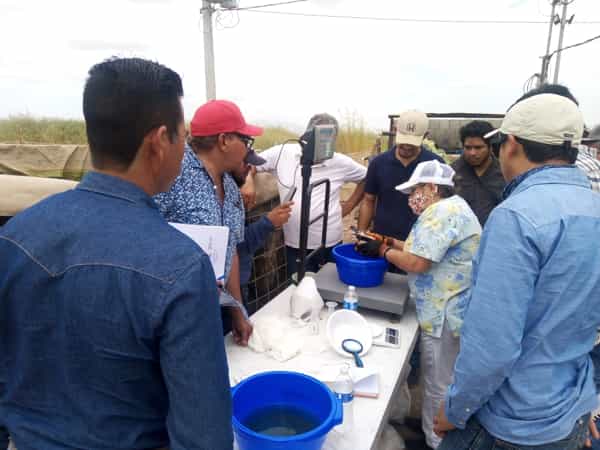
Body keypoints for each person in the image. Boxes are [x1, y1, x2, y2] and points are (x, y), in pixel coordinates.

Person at [0, 58, 232, 449]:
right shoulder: (182, 266)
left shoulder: (14, 236)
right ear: (159, 142)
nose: (184, 149)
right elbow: (203, 437)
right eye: (182, 136)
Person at [433, 91, 600, 449]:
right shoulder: (593, 205)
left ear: (510, 145)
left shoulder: (516, 216)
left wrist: (456, 408)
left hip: (510, 423)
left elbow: (493, 347)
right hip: (570, 410)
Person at [356, 160, 481, 449]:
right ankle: (432, 432)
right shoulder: (451, 208)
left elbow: (418, 262)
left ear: (433, 187)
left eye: (416, 189)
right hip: (447, 308)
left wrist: (383, 250)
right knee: (439, 378)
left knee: (439, 382)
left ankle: (436, 442)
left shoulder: (442, 213)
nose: (411, 196)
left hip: (445, 313)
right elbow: (420, 247)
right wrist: (387, 240)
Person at [153, 99, 262, 345]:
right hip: (173, 316)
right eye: (245, 141)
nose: (247, 149)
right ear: (224, 141)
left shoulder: (232, 189)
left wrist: (237, 311)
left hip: (213, 310)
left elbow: (230, 250)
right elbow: (139, 233)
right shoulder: (173, 174)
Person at [248, 113, 367, 276]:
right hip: (295, 244)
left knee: (329, 290)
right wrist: (248, 182)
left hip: (330, 242)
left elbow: (367, 177)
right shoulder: (283, 152)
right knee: (299, 290)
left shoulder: (340, 162)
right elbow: (252, 163)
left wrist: (350, 205)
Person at [358, 110, 444, 248]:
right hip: (382, 240)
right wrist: (361, 233)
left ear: (425, 136)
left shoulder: (435, 165)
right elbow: (368, 200)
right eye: (403, 139)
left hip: (419, 243)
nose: (407, 146)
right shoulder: (379, 163)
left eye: (413, 141)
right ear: (395, 130)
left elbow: (442, 207)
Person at [231, 160, 293, 305]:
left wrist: (247, 179)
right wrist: (268, 222)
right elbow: (233, 246)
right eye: (245, 143)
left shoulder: (225, 182)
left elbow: (252, 165)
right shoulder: (219, 193)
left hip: (239, 279)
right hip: (230, 284)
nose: (247, 165)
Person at [452, 120, 505, 226]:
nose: (472, 153)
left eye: (478, 148)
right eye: (468, 148)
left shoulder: (504, 174)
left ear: (490, 147)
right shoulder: (452, 173)